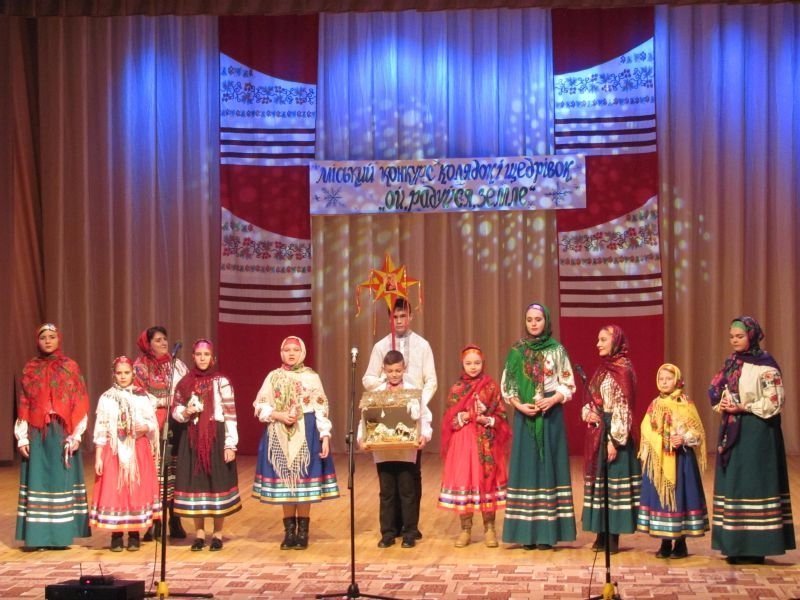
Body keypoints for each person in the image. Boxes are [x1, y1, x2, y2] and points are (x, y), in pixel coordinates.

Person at [708, 316, 795, 564]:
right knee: (735, 485)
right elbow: (716, 389)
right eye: (731, 336)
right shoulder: (731, 363)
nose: (734, 340)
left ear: (752, 336)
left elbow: (775, 401)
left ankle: (757, 548)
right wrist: (723, 402)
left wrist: (744, 407)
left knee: (756, 484)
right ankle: (735, 546)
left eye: (740, 336)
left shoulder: (766, 365)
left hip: (758, 432)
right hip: (733, 430)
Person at [501, 303, 577, 550]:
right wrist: (519, 406)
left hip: (550, 418)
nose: (533, 324)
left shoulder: (557, 350)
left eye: (538, 319)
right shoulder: (517, 351)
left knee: (547, 469)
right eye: (529, 320)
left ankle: (547, 533)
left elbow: (568, 384)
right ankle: (526, 534)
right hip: (526, 419)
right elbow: (508, 385)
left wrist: (553, 399)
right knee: (527, 470)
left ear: (546, 322)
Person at [253, 336, 339, 550]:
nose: (291, 353)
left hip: (306, 432)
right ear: (281, 352)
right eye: (287, 350)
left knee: (303, 482)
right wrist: (279, 415)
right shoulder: (273, 376)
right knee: (286, 484)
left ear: (302, 353)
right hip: (279, 432)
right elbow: (260, 405)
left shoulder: (311, 377)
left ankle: (303, 532)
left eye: (295, 350)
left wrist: (325, 435)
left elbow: (321, 407)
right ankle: (289, 532)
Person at [363, 297, 437, 540]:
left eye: (403, 316)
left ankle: (410, 527)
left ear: (410, 316)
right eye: (395, 317)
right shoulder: (381, 346)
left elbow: (431, 380)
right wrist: (387, 387)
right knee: (388, 481)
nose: (399, 321)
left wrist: (415, 403)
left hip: (412, 416)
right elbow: (368, 379)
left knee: (410, 478)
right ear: (390, 319)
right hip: (387, 414)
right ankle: (391, 528)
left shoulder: (422, 345)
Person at [15, 323, 91, 549]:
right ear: (37, 341)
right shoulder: (31, 368)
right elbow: (25, 403)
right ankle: (37, 538)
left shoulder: (70, 367)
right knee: (38, 480)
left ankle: (60, 537)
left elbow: (79, 399)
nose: (48, 341)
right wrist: (22, 436)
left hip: (61, 432)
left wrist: (76, 435)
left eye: (52, 337)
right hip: (37, 432)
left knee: (60, 481)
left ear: (59, 339)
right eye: (43, 337)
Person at [172, 339, 241, 551]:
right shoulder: (185, 382)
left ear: (213, 358)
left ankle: (217, 533)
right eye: (199, 354)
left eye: (206, 354)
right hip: (192, 437)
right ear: (193, 357)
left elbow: (230, 415)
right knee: (197, 485)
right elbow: (176, 410)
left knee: (217, 483)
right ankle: (200, 534)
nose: (202, 358)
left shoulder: (222, 382)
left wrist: (230, 444)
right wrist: (186, 412)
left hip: (215, 436)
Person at [438, 345, 510, 548]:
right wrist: (463, 416)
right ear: (462, 364)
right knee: (466, 482)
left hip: (486, 442)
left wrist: (487, 417)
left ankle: (490, 528)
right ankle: (465, 529)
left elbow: (502, 416)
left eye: (476, 363)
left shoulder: (491, 387)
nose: (473, 367)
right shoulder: (457, 388)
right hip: (463, 443)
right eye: (468, 363)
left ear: (483, 363)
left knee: (487, 483)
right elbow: (449, 420)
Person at [358, 350, 432, 549]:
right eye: (390, 371)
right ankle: (388, 533)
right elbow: (367, 416)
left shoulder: (413, 391)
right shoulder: (377, 392)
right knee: (387, 493)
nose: (394, 375)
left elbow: (424, 417)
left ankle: (409, 532)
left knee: (408, 492)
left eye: (398, 371)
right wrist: (362, 438)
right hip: (384, 452)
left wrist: (424, 435)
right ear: (384, 370)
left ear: (404, 369)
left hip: (406, 452)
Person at [581, 324, 641, 554]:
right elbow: (592, 397)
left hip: (616, 434)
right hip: (599, 431)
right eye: (598, 339)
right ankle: (601, 534)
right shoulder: (602, 369)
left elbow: (624, 407)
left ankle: (613, 536)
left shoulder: (623, 370)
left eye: (603, 339)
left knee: (614, 487)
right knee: (601, 485)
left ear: (615, 341)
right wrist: (590, 413)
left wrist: (614, 441)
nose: (598, 344)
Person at [90, 356, 161, 552]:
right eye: (119, 373)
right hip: (114, 450)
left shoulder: (142, 396)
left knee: (135, 490)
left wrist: (145, 427)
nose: (123, 376)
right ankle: (117, 535)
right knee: (117, 490)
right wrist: (98, 456)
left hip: (137, 449)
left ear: (133, 373)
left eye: (126, 373)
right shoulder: (106, 398)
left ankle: (134, 534)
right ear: (114, 374)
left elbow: (153, 423)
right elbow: (101, 427)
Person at [637, 363, 708, 558]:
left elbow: (697, 431)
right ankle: (665, 541)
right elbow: (646, 427)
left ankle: (681, 542)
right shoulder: (655, 404)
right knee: (662, 499)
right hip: (661, 459)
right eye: (661, 379)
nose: (664, 382)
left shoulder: (685, 403)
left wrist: (683, 438)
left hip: (682, 460)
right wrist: (661, 439)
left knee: (681, 498)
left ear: (677, 380)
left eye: (668, 379)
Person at [132, 326, 188, 540]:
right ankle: (155, 522)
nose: (163, 343)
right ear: (148, 344)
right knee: (156, 472)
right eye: (158, 340)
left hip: (176, 423)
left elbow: (186, 389)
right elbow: (139, 396)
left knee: (174, 471)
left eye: (165, 339)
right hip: (153, 425)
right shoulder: (140, 367)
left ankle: (175, 519)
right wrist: (166, 400)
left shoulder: (177, 365)